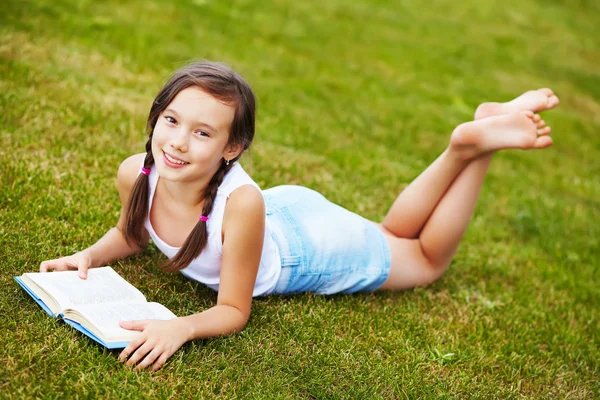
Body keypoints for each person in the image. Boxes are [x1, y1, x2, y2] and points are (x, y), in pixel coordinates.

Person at [39, 61, 559, 371]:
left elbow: (233, 310)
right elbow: (132, 235)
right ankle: (478, 133)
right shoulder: (137, 173)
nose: (177, 141)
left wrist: (180, 327)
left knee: (424, 260)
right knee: (393, 233)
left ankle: (470, 148)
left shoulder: (238, 204)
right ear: (155, 118)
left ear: (232, 147)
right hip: (277, 215)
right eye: (171, 121)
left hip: (305, 245)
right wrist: (85, 256)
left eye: (202, 132)